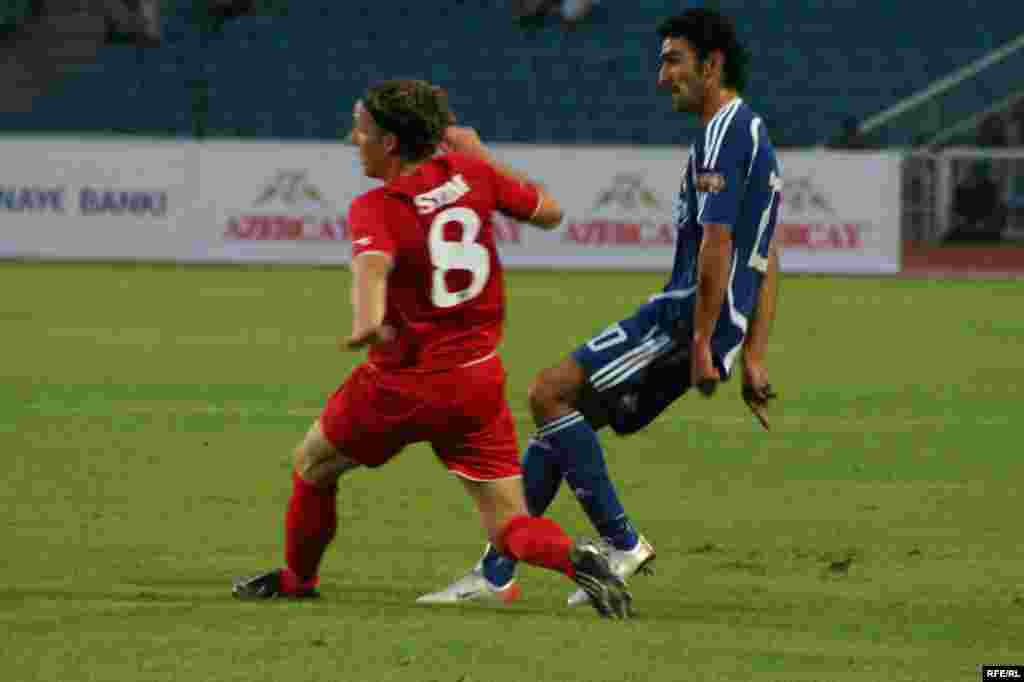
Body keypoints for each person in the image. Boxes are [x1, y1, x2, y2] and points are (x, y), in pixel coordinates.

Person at [419, 7, 781, 608]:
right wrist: (753, 354)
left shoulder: (724, 134)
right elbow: (769, 252)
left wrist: (700, 341)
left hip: (687, 315)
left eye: (673, 60)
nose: (662, 75)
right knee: (561, 419)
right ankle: (496, 571)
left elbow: (720, 244)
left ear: (712, 64)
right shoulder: (750, 132)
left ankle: (621, 544)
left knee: (547, 394)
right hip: (705, 321)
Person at [231, 79, 633, 619]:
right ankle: (575, 557)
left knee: (313, 465)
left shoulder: (378, 205)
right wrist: (482, 156)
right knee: (509, 523)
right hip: (477, 382)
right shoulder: (474, 175)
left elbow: (372, 265)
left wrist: (368, 320)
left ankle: (297, 579)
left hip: (402, 383)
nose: (355, 140)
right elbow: (552, 212)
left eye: (363, 131)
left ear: (391, 143)